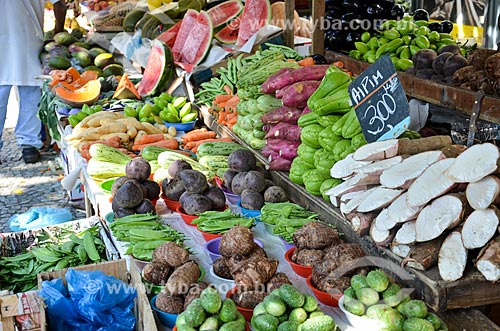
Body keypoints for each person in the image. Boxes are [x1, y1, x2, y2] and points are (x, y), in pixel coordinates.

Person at [0, 0, 67, 164]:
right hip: (28, 35)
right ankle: (29, 145)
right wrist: (58, 32)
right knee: (31, 90)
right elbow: (59, 4)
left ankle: (29, 143)